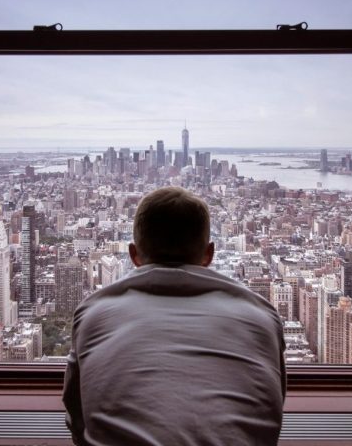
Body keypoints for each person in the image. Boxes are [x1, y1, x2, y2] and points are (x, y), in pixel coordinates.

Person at [63, 187, 286, 446]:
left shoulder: (94, 313)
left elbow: (76, 416)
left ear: (134, 254)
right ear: (209, 254)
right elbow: (272, 407)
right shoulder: (260, 316)